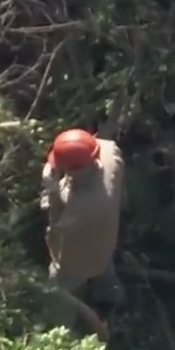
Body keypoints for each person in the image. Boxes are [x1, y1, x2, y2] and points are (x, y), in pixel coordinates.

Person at [39, 128, 126, 328]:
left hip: (79, 257)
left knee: (59, 289)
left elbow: (58, 227)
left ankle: (60, 328)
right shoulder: (109, 151)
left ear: (76, 170)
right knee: (104, 266)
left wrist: (52, 191)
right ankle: (114, 300)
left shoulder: (85, 206)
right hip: (105, 239)